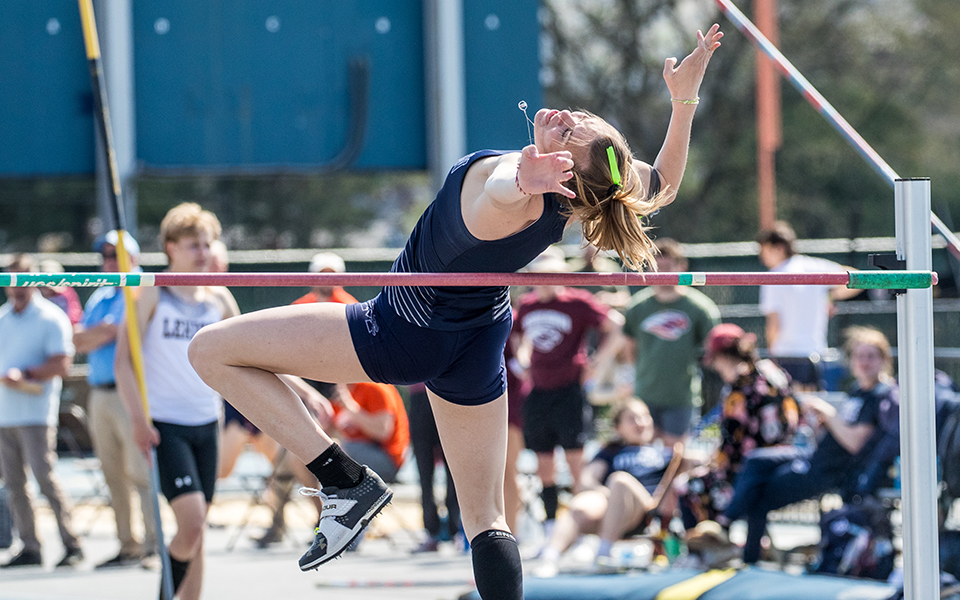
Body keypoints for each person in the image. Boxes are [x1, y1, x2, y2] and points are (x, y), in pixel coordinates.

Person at [188, 25, 722, 600]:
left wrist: (524, 176)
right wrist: (683, 99)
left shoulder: (514, 192)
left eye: (572, 131)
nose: (566, 115)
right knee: (486, 517)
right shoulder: (576, 199)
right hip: (476, 343)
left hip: (399, 331)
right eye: (578, 116)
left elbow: (500, 190)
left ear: (566, 179)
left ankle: (343, 479)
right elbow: (659, 184)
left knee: (210, 351)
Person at [115, 203, 240, 600]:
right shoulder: (153, 295)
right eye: (192, 245)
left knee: (198, 534)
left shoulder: (218, 300)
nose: (202, 252)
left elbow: (250, 354)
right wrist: (138, 419)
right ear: (170, 247)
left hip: (207, 424)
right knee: (192, 525)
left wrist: (303, 391)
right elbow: (123, 364)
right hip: (165, 426)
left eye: (206, 244)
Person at [719, 326, 899, 564]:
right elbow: (839, 433)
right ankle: (725, 524)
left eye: (871, 356)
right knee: (756, 459)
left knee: (759, 493)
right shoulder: (857, 391)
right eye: (859, 356)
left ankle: (732, 538)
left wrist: (827, 413)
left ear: (883, 360)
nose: (864, 362)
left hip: (828, 470)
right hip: (815, 454)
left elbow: (855, 443)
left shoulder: (880, 396)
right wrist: (821, 424)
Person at [512, 247, 625, 535]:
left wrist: (597, 363)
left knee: (577, 463)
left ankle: (581, 528)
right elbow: (515, 336)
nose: (544, 280)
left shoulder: (578, 302)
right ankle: (551, 527)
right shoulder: (527, 306)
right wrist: (521, 362)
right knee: (543, 465)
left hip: (569, 392)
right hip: (538, 392)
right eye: (539, 275)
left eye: (550, 274)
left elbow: (616, 326)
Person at [73, 231, 158, 568]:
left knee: (141, 471)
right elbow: (78, 341)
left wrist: (105, 331)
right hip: (99, 393)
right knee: (112, 473)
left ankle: (155, 544)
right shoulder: (102, 294)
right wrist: (105, 330)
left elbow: (116, 333)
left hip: (132, 392)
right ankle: (128, 545)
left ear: (133, 257)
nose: (108, 260)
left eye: (115, 254)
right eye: (105, 255)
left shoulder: (142, 291)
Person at [536, 398, 695, 576]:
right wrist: (606, 494)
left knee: (620, 480)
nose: (640, 423)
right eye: (632, 419)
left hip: (644, 509)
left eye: (644, 417)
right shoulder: (610, 452)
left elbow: (699, 463)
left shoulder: (666, 454)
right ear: (618, 428)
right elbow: (587, 480)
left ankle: (602, 554)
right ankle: (549, 557)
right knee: (582, 503)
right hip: (609, 504)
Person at [0, 254, 83, 568]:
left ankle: (71, 542)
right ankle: (30, 545)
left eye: (25, 278)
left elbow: (62, 363)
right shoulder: (3, 319)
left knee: (45, 479)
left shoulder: (50, 318)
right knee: (14, 484)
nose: (18, 287)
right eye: (13, 279)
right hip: (5, 413)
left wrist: (28, 375)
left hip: (36, 413)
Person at [678, 324, 798, 540]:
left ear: (723, 357)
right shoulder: (773, 371)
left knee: (688, 486)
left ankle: (710, 547)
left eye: (714, 361)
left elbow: (731, 440)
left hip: (749, 470)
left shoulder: (739, 386)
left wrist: (711, 462)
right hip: (784, 458)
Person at [623, 238, 720, 444]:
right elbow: (629, 350)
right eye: (657, 267)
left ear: (681, 267)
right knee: (645, 456)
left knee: (675, 457)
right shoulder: (636, 307)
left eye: (667, 267)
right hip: (645, 394)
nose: (661, 273)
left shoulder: (700, 308)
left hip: (681, 396)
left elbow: (713, 351)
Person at [757, 221, 862, 389]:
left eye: (765, 251)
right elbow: (857, 279)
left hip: (787, 356)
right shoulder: (815, 266)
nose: (762, 258)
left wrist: (772, 356)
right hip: (816, 355)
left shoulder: (773, 277)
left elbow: (774, 323)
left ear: (779, 248)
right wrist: (829, 295)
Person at [408, 382, 462, 552]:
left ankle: (456, 529)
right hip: (419, 396)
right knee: (424, 472)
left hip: (447, 392)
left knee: (453, 470)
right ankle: (431, 531)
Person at [38, 259, 83, 326]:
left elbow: (75, 317)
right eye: (44, 284)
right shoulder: (33, 295)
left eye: (54, 282)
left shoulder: (67, 293)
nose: (48, 289)